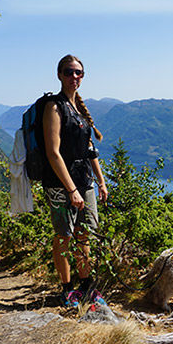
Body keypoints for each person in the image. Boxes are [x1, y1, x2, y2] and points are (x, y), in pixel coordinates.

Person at [42, 54, 108, 309]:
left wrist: (101, 183)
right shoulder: (54, 107)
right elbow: (53, 152)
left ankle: (87, 288)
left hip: (85, 182)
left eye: (79, 72)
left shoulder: (78, 108)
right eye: (69, 72)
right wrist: (71, 189)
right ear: (59, 74)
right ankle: (67, 290)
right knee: (63, 237)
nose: (74, 77)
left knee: (85, 236)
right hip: (61, 185)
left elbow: (89, 150)